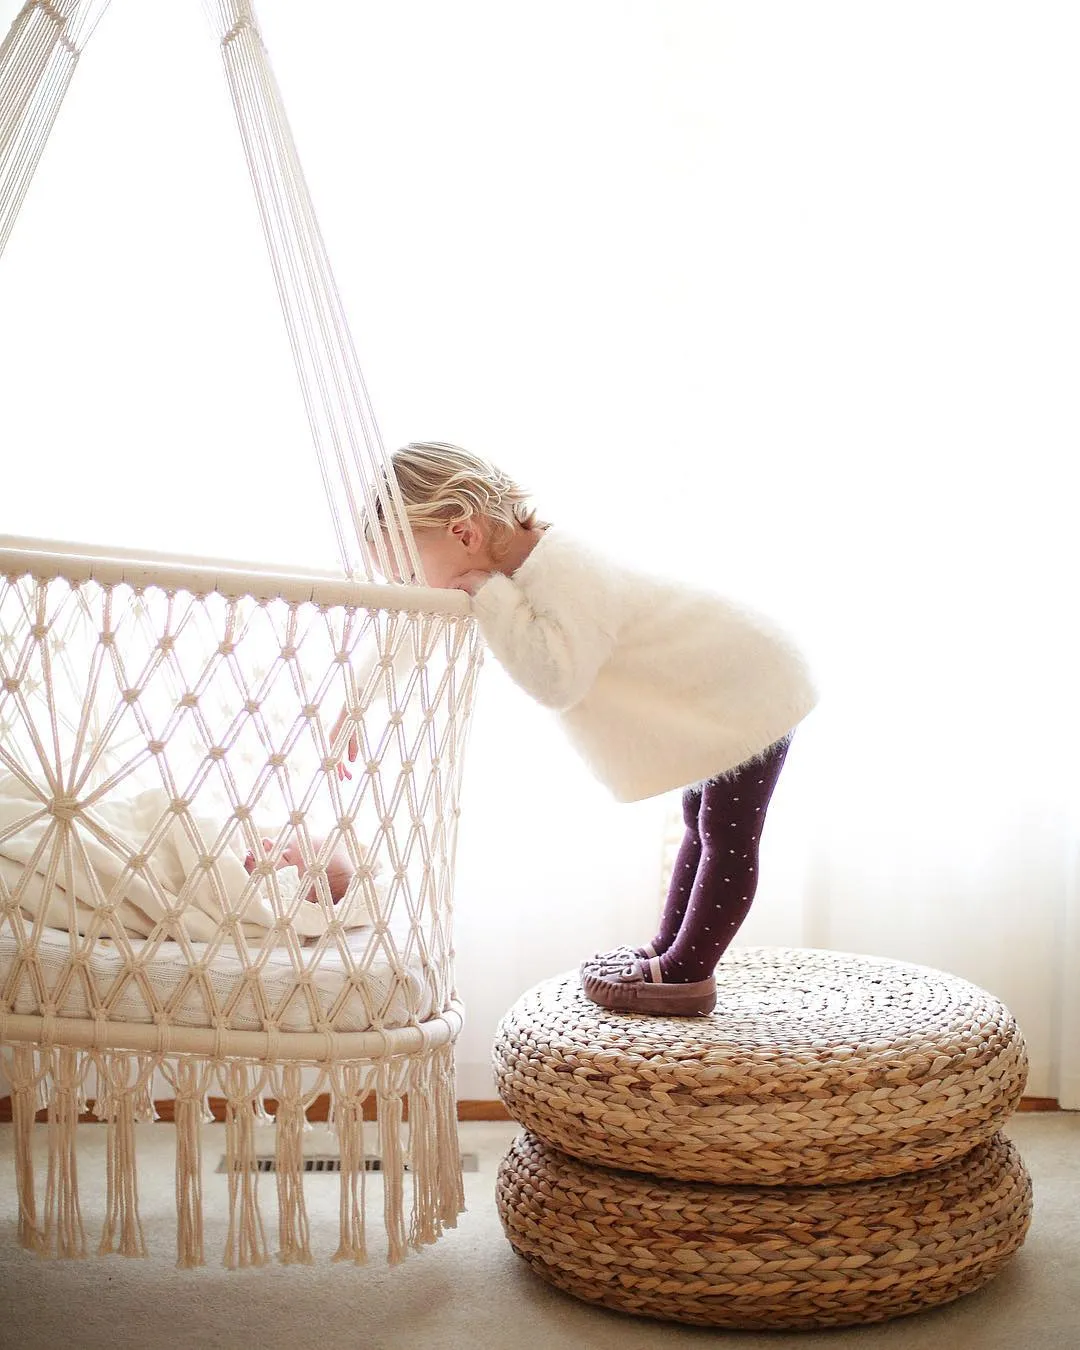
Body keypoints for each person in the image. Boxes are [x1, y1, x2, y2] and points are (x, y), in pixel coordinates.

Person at [336, 442, 817, 1016]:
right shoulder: (500, 573)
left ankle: (689, 974)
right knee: (700, 821)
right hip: (713, 686)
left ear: (462, 532)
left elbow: (556, 681)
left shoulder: (562, 570)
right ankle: (667, 951)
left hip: (748, 678)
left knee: (727, 829)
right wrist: (357, 704)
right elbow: (413, 632)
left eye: (408, 571)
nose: (410, 587)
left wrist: (489, 598)